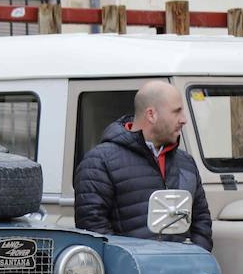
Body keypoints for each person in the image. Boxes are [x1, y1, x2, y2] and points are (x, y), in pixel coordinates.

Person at [74, 79, 213, 251]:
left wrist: (193, 259)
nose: (184, 120)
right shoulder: (99, 162)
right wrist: (130, 265)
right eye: (176, 112)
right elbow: (93, 227)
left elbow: (202, 221)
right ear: (151, 114)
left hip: (182, 273)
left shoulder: (186, 163)